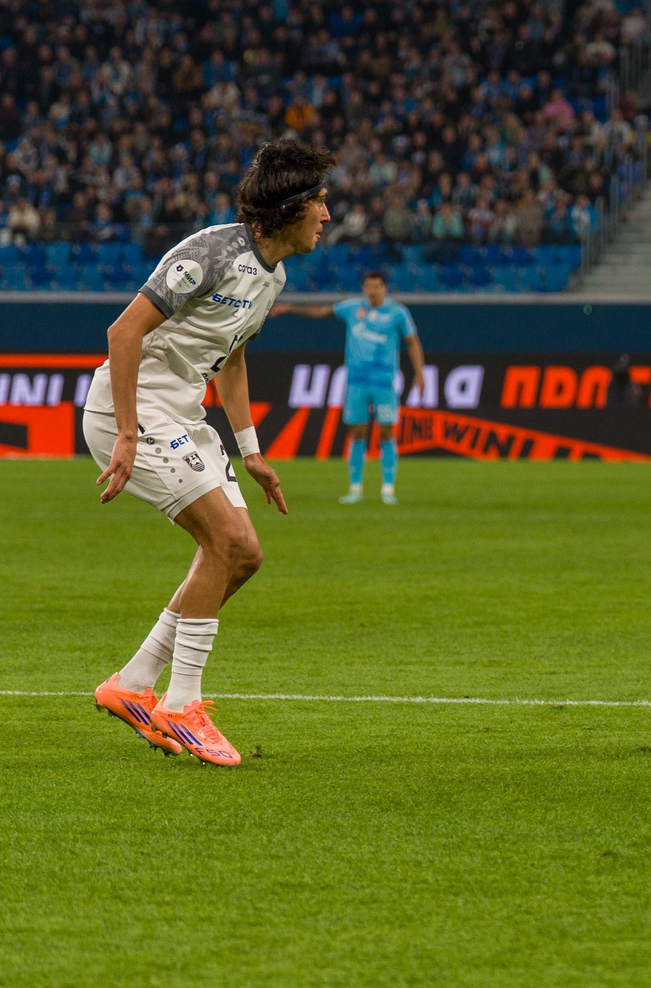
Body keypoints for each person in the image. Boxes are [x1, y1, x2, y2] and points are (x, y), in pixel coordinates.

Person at [85, 140, 330, 768]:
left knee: (245, 554)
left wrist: (251, 449)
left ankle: (134, 683)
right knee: (223, 542)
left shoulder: (273, 276)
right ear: (291, 207)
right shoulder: (211, 253)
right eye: (321, 203)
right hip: (131, 413)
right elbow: (122, 332)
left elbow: (235, 357)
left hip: (182, 417)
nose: (327, 216)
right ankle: (181, 704)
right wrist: (129, 432)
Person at [278, 268, 423, 505]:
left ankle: (388, 489)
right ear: (364, 288)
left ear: (384, 288)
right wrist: (292, 308)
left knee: (387, 432)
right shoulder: (352, 308)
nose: (372, 290)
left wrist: (419, 372)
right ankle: (355, 488)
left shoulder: (397, 312)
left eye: (377, 285)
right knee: (357, 433)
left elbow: (412, 341)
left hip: (384, 382)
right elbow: (322, 312)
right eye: (368, 285)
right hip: (356, 382)